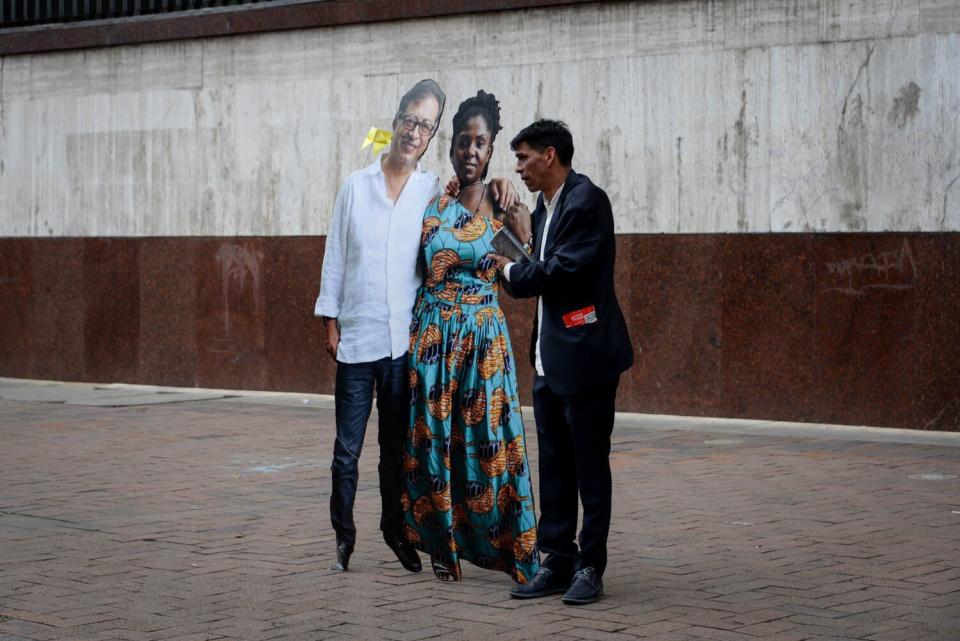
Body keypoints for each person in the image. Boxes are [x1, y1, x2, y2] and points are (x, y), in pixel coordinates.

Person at [315, 80, 517, 574]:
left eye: (425, 126)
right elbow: (335, 255)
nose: (414, 131)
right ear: (396, 119)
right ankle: (344, 532)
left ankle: (393, 529)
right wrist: (329, 317)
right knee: (347, 452)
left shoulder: (432, 190)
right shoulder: (355, 185)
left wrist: (503, 184)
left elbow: (476, 201)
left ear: (431, 138)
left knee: (394, 452)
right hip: (357, 341)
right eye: (410, 119)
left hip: (403, 343)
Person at [491, 119, 634, 604]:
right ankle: (558, 560)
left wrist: (512, 270)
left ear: (550, 155)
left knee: (590, 466)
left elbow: (565, 270)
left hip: (587, 357)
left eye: (525, 157)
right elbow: (540, 272)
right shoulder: (545, 206)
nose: (519, 168)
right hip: (551, 359)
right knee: (554, 465)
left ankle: (590, 566)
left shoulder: (585, 200)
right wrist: (513, 267)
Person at [403, 91, 540, 584]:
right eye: (462, 141)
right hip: (433, 342)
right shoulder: (430, 199)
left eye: (480, 143)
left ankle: (512, 552)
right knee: (437, 445)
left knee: (490, 445)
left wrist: (524, 228)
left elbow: (527, 275)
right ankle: (443, 547)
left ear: (491, 149)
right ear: (451, 145)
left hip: (483, 343)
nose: (470, 151)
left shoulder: (502, 204)